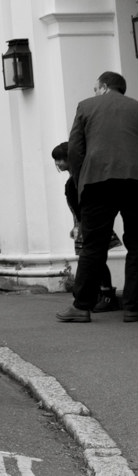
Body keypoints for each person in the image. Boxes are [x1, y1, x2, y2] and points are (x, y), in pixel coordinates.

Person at [61, 70, 138, 323]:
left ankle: (81, 306)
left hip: (97, 181)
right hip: (134, 179)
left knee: (94, 245)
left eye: (96, 88)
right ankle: (133, 307)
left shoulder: (86, 106)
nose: (94, 92)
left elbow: (75, 150)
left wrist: (78, 178)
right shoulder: (135, 108)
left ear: (104, 87)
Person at [55, 139, 119, 312]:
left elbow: (81, 207)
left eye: (60, 159)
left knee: (94, 258)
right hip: (84, 224)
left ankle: (107, 294)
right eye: (56, 160)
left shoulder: (75, 182)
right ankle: (102, 293)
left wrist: (80, 224)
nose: (57, 163)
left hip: (87, 225)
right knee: (94, 258)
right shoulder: (77, 180)